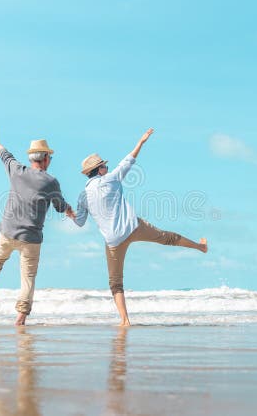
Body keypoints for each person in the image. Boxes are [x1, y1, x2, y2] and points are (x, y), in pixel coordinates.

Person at [69, 128, 208, 326]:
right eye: (104, 167)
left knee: (115, 283)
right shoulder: (111, 179)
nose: (106, 169)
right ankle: (200, 247)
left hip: (113, 241)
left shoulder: (83, 196)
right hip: (133, 227)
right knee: (166, 238)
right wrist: (141, 142)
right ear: (99, 170)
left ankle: (125, 321)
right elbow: (128, 160)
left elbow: (79, 222)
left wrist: (69, 213)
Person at [0, 126, 74, 326]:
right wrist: (69, 211)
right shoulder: (51, 182)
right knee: (28, 278)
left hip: (8, 231)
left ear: (32, 159)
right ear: (46, 158)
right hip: (31, 239)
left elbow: (3, 153)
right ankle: (21, 317)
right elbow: (59, 206)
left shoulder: (17, 171)